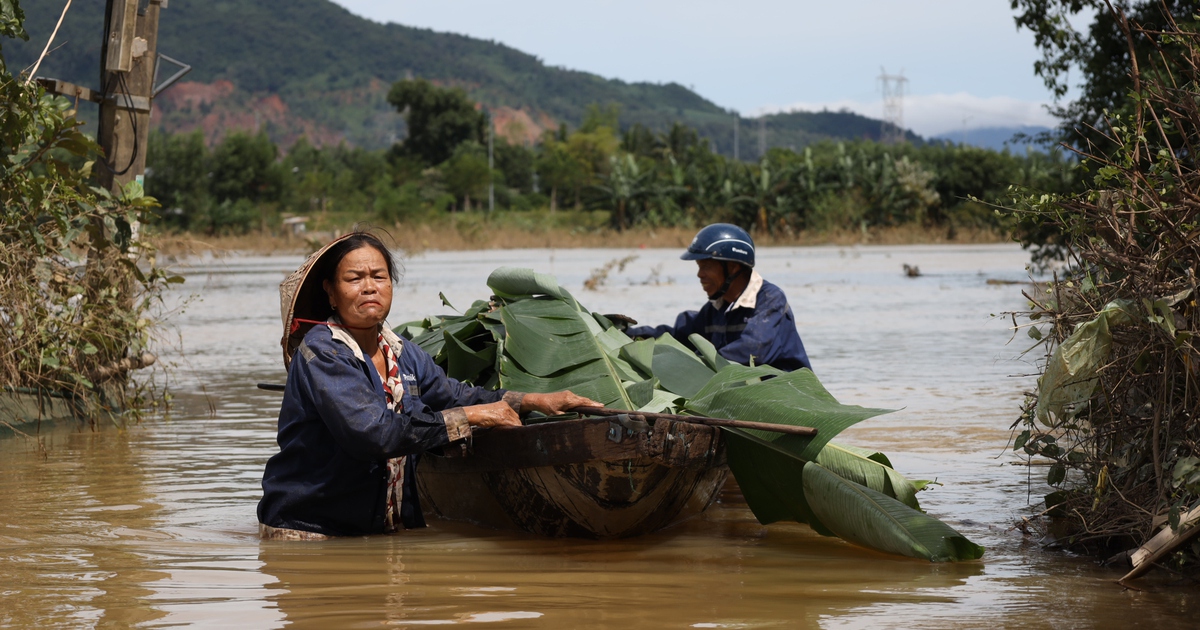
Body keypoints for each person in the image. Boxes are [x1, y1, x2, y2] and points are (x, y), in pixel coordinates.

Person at [258, 232, 596, 539]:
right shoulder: (324, 352)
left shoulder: (402, 352)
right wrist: (473, 417)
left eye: (379, 276)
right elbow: (373, 434)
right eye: (354, 279)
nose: (370, 287)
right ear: (331, 292)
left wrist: (532, 399)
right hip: (310, 534)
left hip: (372, 532)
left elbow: (453, 395)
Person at [626, 223, 812, 372]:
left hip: (787, 399)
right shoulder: (716, 309)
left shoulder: (769, 300)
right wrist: (628, 334)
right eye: (698, 267)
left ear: (732, 267)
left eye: (706, 266)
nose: (700, 274)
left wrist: (693, 366)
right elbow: (677, 337)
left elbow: (751, 352)